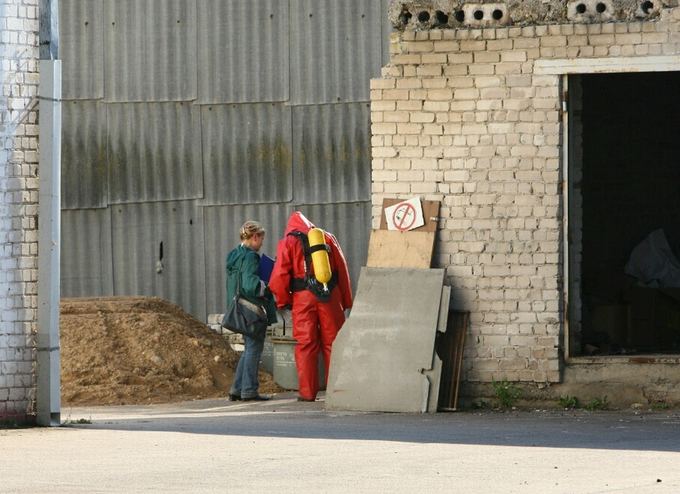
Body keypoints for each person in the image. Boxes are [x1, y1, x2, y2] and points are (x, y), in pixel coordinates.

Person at [269, 211, 353, 402]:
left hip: (303, 299)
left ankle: (307, 393)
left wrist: (283, 301)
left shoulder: (288, 242)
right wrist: (346, 301)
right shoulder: (327, 237)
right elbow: (342, 269)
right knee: (333, 344)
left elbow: (279, 276)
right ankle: (336, 393)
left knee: (306, 345)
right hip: (330, 297)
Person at [226, 220, 277, 401]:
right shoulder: (250, 257)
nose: (262, 242)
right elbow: (250, 284)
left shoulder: (235, 255)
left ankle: (237, 389)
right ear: (255, 237)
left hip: (238, 307)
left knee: (249, 349)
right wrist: (267, 285)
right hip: (251, 310)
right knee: (254, 348)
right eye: (261, 238)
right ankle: (249, 390)